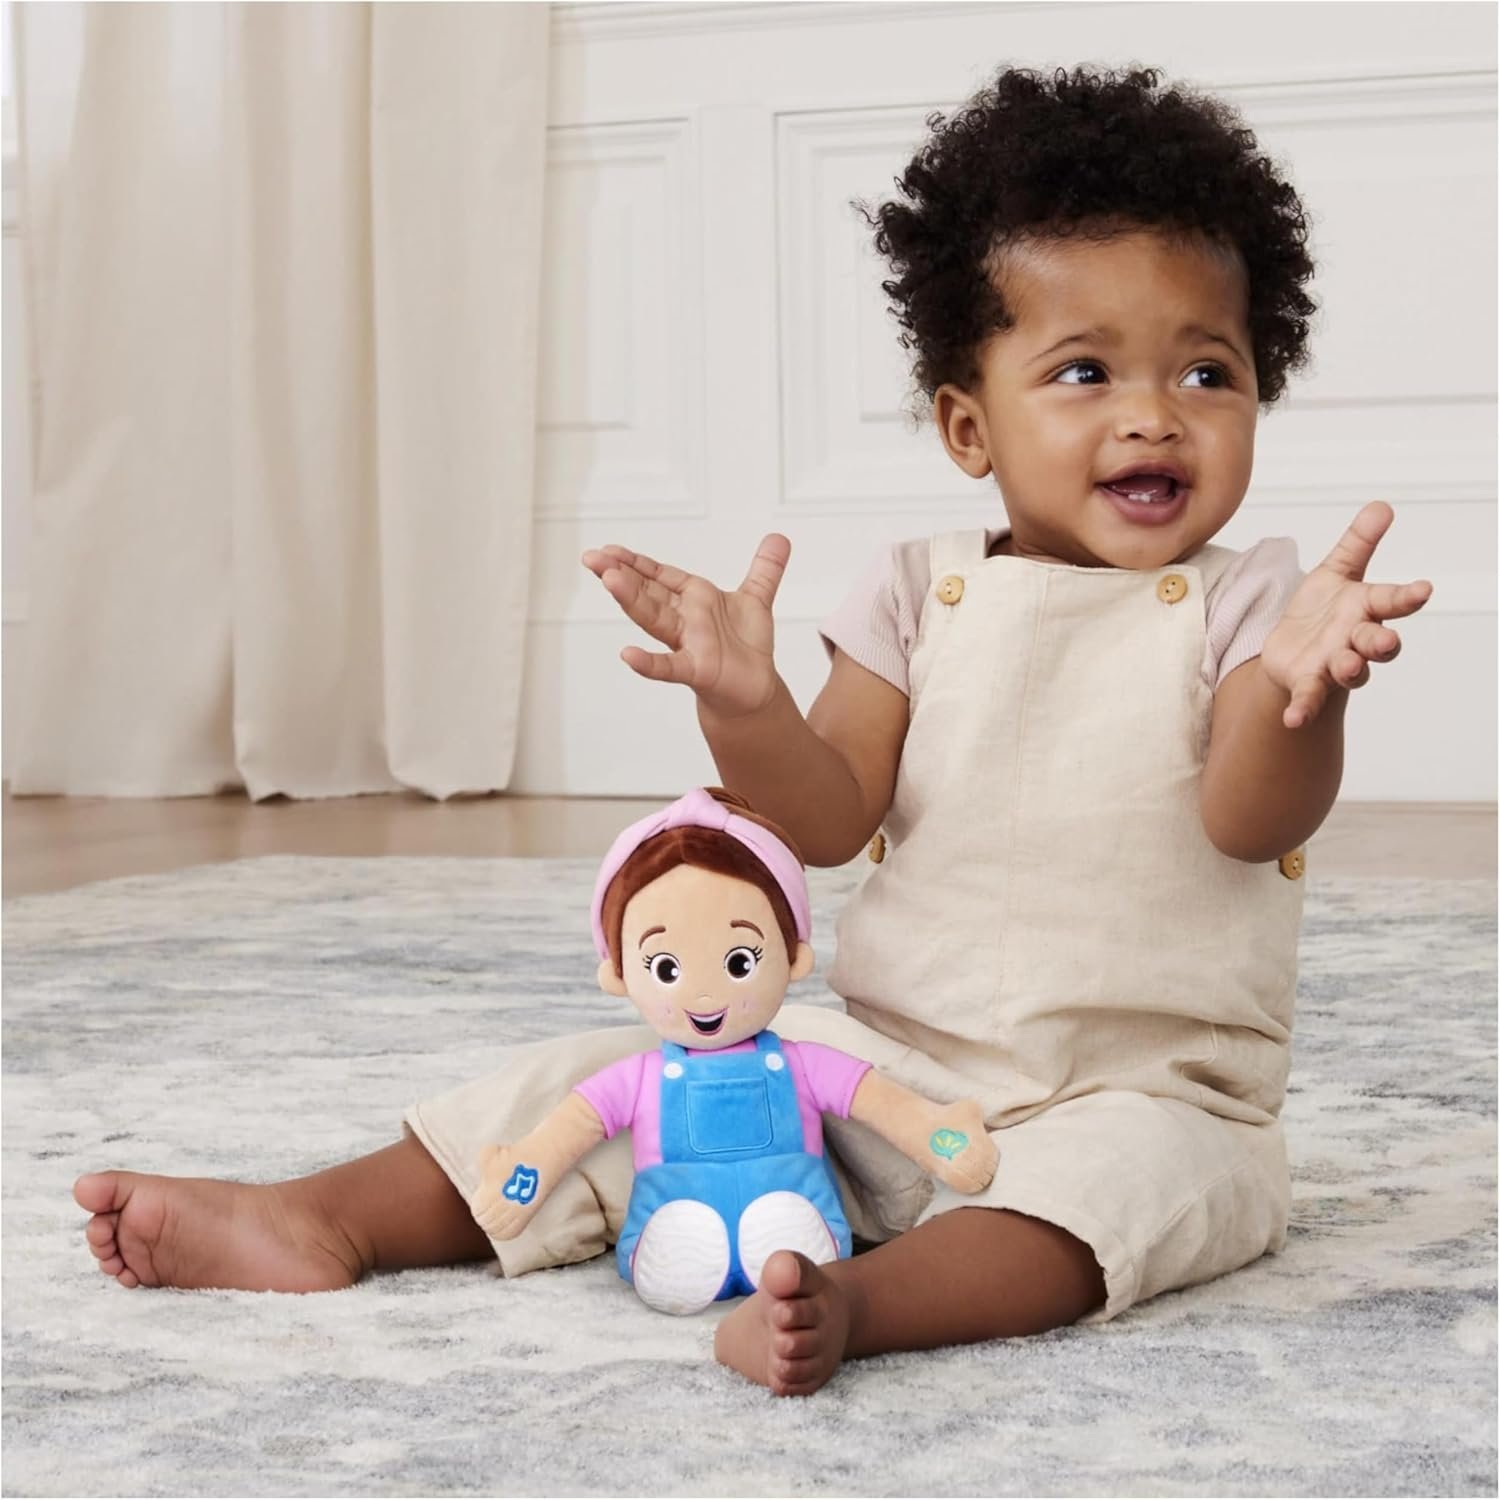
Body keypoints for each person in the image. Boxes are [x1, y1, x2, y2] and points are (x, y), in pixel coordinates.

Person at [73, 64, 1432, 1399]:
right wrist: (748, 704)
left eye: (1208, 371)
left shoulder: (1256, 607)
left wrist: (1308, 692)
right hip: (892, 1082)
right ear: (968, 425)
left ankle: (858, 1306)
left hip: (1143, 1095)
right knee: (621, 1082)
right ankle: (327, 1214)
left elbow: (1251, 817)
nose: (1153, 415)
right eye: (1086, 370)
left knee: (1129, 1192)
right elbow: (825, 818)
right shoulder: (917, 592)